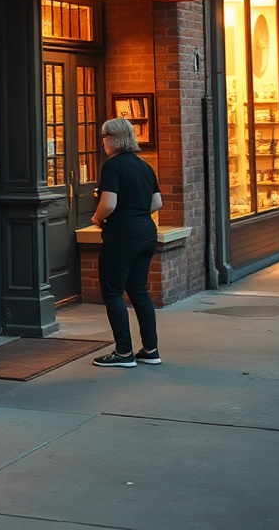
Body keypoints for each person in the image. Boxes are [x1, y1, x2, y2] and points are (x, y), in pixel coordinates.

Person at [90, 117, 163, 368]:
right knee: (139, 291)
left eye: (103, 137)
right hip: (147, 233)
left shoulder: (112, 166)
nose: (102, 143)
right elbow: (157, 203)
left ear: (111, 139)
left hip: (122, 235)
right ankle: (151, 350)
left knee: (112, 292)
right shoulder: (145, 166)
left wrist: (98, 217)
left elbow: (109, 203)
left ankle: (123, 352)